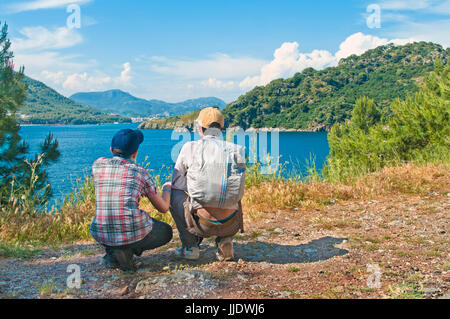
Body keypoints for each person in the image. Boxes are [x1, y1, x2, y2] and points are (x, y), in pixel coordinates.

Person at [90, 129, 173, 271]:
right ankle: (127, 249)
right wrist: (167, 188)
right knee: (166, 231)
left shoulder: (97, 165)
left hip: (101, 232)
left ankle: (113, 252)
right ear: (135, 153)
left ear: (111, 149)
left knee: (114, 225)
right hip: (131, 231)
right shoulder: (141, 173)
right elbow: (163, 208)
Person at [170, 107, 245, 261]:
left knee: (173, 192)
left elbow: (177, 183)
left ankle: (191, 247)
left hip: (200, 223)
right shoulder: (237, 150)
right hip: (230, 223)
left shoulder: (189, 148)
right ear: (222, 129)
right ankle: (225, 240)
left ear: (199, 128)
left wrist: (197, 185)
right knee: (232, 190)